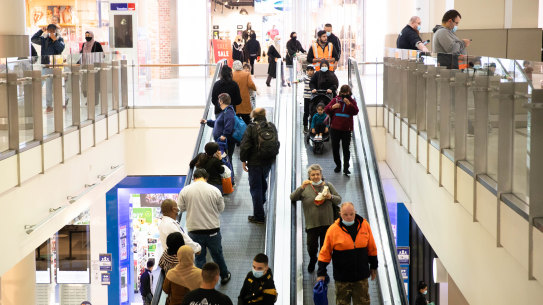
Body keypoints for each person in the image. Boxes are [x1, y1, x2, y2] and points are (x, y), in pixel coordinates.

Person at [177, 169, 231, 285]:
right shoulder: (214, 190)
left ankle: (202, 282)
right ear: (206, 178)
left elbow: (181, 208)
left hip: (194, 231)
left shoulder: (185, 191)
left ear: (194, 178)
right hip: (213, 230)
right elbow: (221, 209)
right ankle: (224, 275)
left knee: (199, 258)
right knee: (217, 255)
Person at [317, 202, 378, 305]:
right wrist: (321, 273)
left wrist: (373, 267)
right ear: (340, 213)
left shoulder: (364, 225)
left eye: (351, 214)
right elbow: (325, 253)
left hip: (361, 278)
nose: (349, 217)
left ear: (355, 212)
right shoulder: (333, 230)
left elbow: (372, 248)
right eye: (345, 214)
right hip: (342, 279)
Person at [290, 164, 341, 273]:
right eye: (313, 175)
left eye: (317, 174)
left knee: (325, 248)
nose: (316, 177)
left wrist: (330, 197)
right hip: (312, 225)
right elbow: (292, 197)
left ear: (321, 175)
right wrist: (301, 187)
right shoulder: (305, 187)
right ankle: (313, 259)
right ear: (309, 176)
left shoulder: (328, 185)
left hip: (327, 225)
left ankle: (322, 267)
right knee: (311, 247)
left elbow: (338, 200)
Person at [240, 108, 280, 224]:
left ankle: (258, 216)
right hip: (268, 160)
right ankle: (261, 201)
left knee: (255, 188)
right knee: (262, 181)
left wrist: (243, 160)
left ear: (253, 115)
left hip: (255, 162)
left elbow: (245, 146)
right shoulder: (271, 126)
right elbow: (277, 142)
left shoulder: (251, 127)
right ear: (264, 114)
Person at [324, 85, 359, 175]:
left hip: (347, 130)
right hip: (335, 129)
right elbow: (326, 109)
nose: (345, 95)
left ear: (349, 93)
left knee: (346, 149)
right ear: (340, 93)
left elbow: (356, 111)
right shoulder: (335, 100)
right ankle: (338, 165)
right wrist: (333, 107)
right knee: (335, 148)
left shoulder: (352, 101)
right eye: (343, 93)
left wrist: (349, 104)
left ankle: (346, 167)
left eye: (347, 93)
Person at [31, 24, 65, 113]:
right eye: (49, 30)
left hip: (57, 65)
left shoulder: (60, 39)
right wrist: (41, 31)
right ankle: (49, 105)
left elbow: (60, 49)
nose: (51, 32)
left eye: (52, 30)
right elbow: (33, 39)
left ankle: (63, 101)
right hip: (46, 65)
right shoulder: (44, 39)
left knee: (59, 85)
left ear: (55, 31)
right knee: (48, 86)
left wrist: (55, 40)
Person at [201, 93, 237, 167]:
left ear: (221, 101)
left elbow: (229, 125)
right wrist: (207, 121)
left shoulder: (229, 112)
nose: (218, 102)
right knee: (223, 159)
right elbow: (217, 123)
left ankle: (229, 177)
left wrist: (224, 135)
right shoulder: (224, 111)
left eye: (219, 100)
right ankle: (227, 176)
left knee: (226, 160)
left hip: (225, 143)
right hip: (222, 142)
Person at [80, 31, 104, 102]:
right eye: (86, 35)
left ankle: (95, 100)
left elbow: (102, 55)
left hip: (94, 67)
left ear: (92, 35)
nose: (87, 37)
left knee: (94, 84)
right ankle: (89, 99)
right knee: (85, 84)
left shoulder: (97, 44)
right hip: (85, 66)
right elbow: (81, 54)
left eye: (88, 35)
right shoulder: (84, 45)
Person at [232, 60, 257, 125]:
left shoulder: (231, 75)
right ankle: (248, 134)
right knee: (248, 122)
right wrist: (255, 88)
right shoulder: (246, 74)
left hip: (235, 104)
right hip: (245, 102)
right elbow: (251, 85)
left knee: (236, 123)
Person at [301, 65, 315, 132]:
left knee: (312, 112)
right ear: (306, 71)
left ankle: (312, 126)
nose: (310, 72)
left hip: (313, 97)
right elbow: (300, 79)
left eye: (311, 70)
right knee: (306, 112)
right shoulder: (305, 77)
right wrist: (296, 81)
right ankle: (305, 126)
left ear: (313, 71)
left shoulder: (315, 78)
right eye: (308, 70)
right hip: (306, 97)